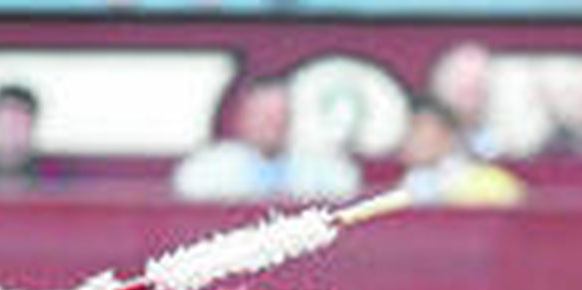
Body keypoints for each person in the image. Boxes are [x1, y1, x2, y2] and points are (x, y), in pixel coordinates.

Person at [172, 77, 361, 203]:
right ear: (242, 119)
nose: (273, 125)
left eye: (280, 116)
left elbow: (346, 195)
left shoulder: (326, 164)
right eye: (263, 117)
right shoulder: (205, 166)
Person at [399, 94, 526, 207]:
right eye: (409, 130)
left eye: (418, 128)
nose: (413, 139)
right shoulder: (404, 188)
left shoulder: (495, 186)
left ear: (449, 136)